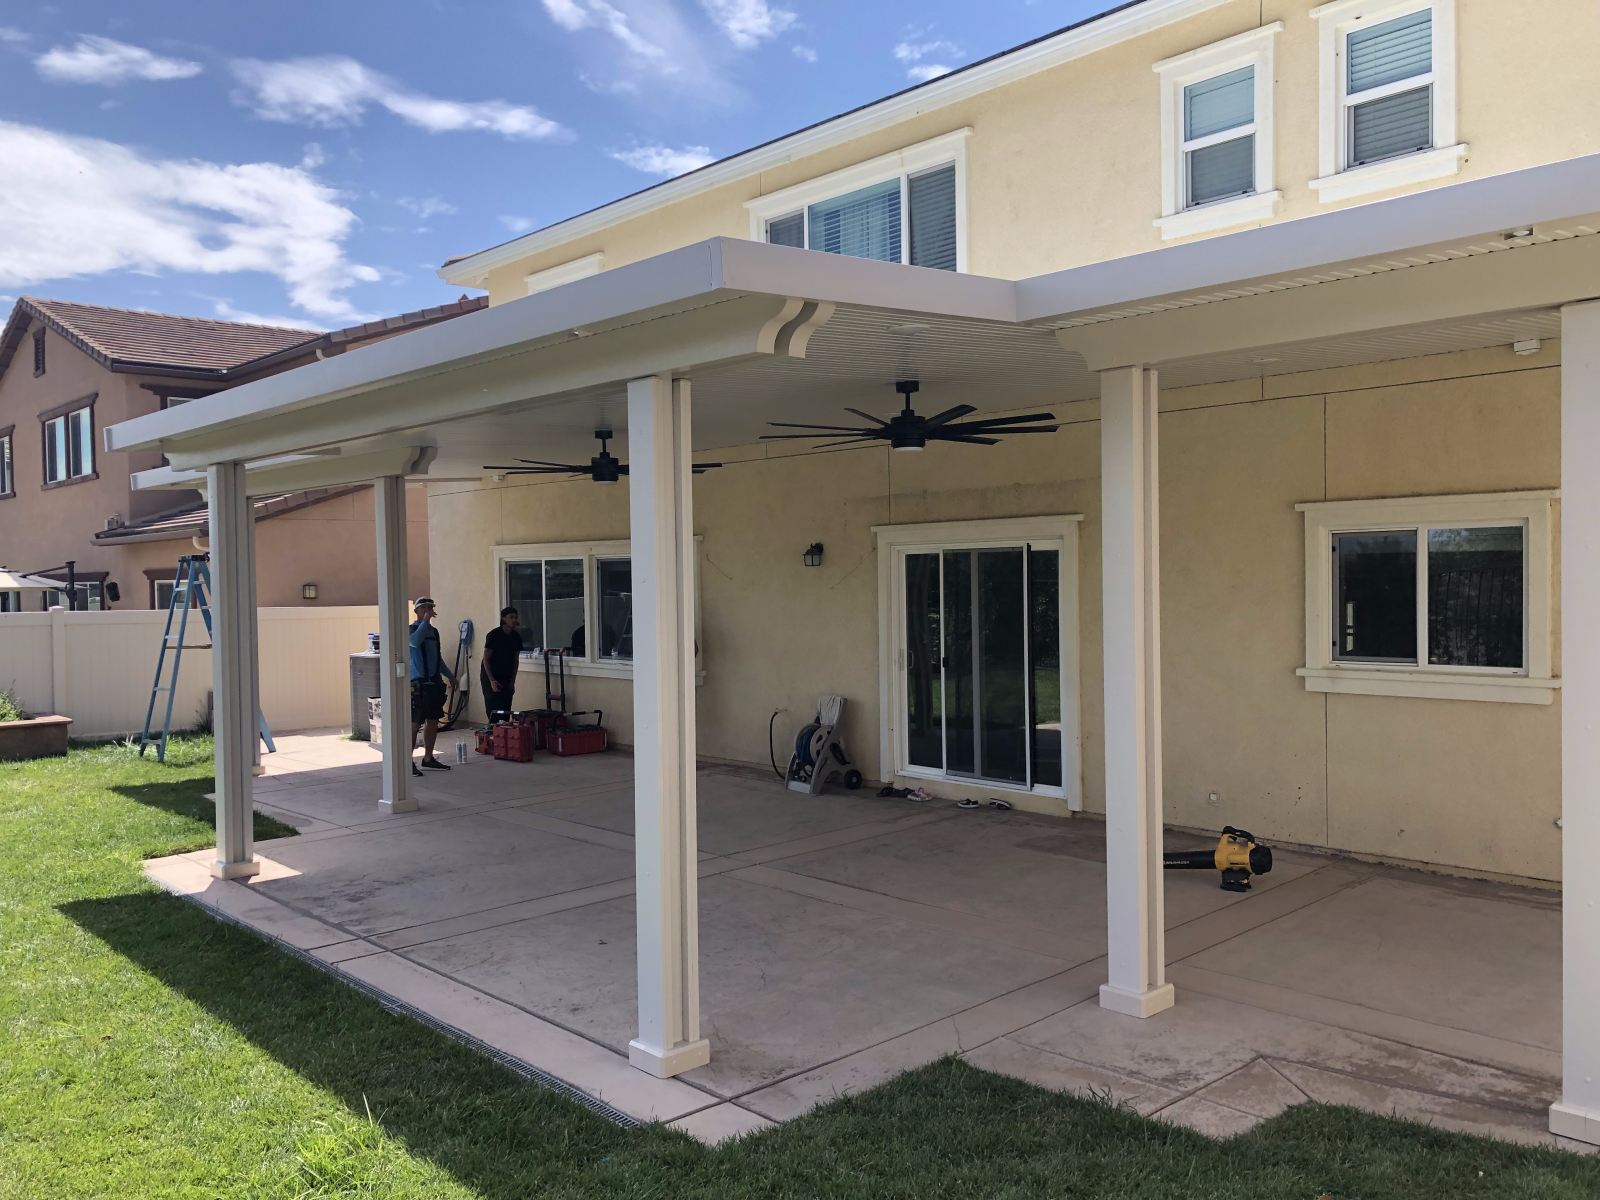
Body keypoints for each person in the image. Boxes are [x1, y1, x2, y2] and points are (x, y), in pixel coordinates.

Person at [409, 597, 456, 776]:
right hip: (419, 684)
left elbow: (437, 657)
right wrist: (425, 621)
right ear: (416, 611)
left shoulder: (434, 632)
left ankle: (428, 758)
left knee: (433, 721)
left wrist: (450, 675)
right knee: (415, 724)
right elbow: (414, 643)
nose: (428, 610)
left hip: (435, 683)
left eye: (430, 608)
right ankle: (407, 762)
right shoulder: (411, 629)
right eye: (424, 608)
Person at [481, 606, 523, 720]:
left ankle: (504, 729)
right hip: (491, 675)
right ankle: (493, 729)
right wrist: (492, 680)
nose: (514, 620)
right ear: (504, 618)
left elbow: (515, 660)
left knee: (506, 708)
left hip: (506, 675)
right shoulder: (494, 635)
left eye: (516, 617)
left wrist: (512, 681)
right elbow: (486, 659)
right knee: (493, 708)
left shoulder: (516, 637)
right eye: (511, 617)